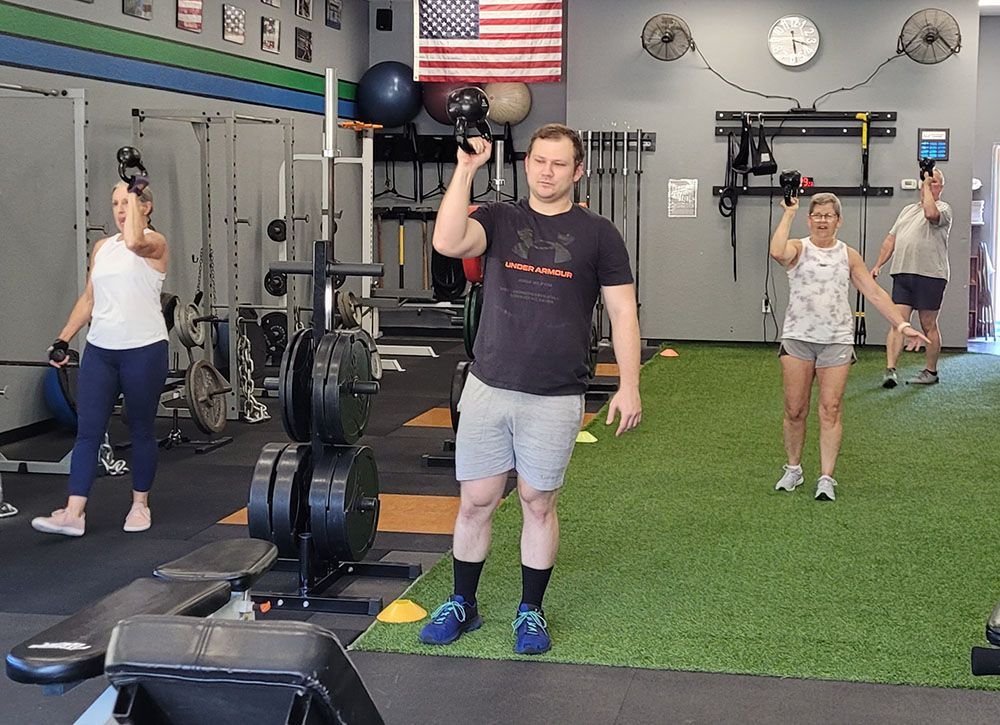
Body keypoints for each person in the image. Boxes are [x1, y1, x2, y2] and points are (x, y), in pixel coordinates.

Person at [419, 123, 642, 654]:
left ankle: (530, 611)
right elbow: (448, 240)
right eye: (538, 160)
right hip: (489, 384)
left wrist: (629, 384)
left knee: (537, 501)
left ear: (578, 170)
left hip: (556, 392)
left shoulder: (599, 234)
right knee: (476, 500)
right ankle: (462, 603)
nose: (546, 171)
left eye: (558, 163)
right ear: (526, 164)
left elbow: (623, 312)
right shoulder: (499, 218)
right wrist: (467, 168)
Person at [769, 193, 929, 502]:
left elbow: (875, 293)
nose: (823, 220)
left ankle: (826, 477)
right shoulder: (799, 249)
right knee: (794, 409)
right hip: (798, 338)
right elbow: (777, 251)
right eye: (817, 215)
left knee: (830, 409)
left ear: (839, 221)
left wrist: (902, 325)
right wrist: (789, 213)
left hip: (837, 341)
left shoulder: (848, 255)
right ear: (809, 219)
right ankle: (793, 469)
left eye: (829, 216)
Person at [31, 179, 169, 537]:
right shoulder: (103, 248)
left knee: (140, 429)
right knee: (87, 431)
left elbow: (136, 240)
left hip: (144, 350)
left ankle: (140, 505)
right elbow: (90, 299)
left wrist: (138, 187)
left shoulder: (155, 243)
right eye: (116, 204)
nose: (121, 210)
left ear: (146, 206)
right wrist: (62, 338)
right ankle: (74, 513)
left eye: (128, 201)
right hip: (101, 351)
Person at [871, 168, 952, 387]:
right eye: (926, 181)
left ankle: (931, 372)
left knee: (928, 324)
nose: (929, 184)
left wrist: (926, 185)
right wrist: (878, 265)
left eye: (934, 182)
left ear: (940, 188)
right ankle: (890, 370)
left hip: (930, 275)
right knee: (898, 323)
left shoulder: (943, 209)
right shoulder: (907, 210)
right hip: (903, 273)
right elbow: (890, 241)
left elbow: (930, 214)